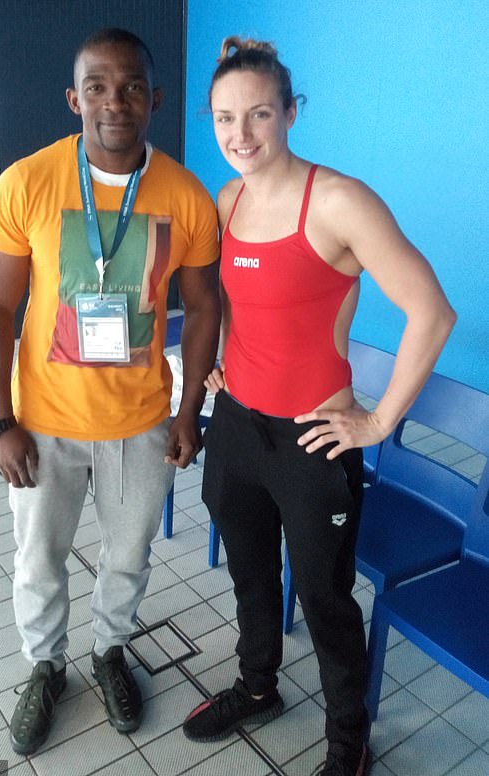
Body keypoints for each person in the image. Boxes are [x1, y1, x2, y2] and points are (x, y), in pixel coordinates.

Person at [181, 37, 456, 776]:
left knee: (327, 599)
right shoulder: (228, 199)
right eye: (224, 119)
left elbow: (431, 313)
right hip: (237, 425)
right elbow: (237, 302)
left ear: (291, 113)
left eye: (260, 114)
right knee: (249, 573)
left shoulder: (338, 201)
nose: (240, 135)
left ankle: (348, 738)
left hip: (313, 439)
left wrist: (378, 421)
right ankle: (258, 684)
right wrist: (220, 367)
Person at [0, 28, 220, 756]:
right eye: (101, 86)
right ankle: (45, 668)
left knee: (128, 556)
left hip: (140, 422)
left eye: (134, 86)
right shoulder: (27, 182)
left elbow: (204, 307)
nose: (118, 101)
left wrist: (188, 411)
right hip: (43, 421)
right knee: (40, 560)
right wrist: (0, 422)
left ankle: (111, 652)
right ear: (74, 97)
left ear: (156, 98)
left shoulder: (184, 194)